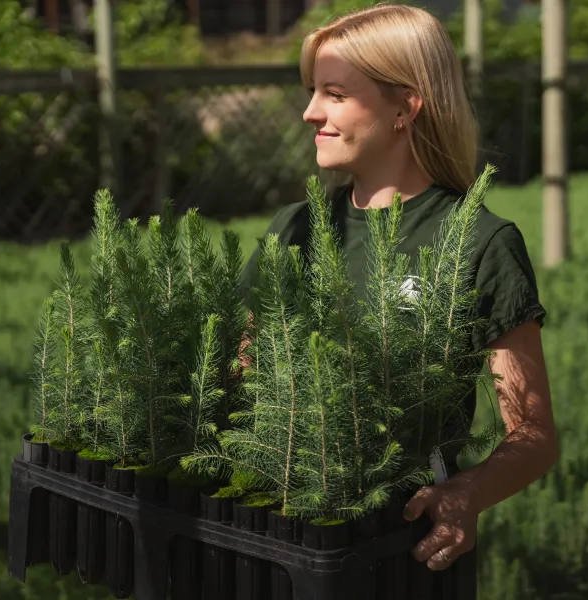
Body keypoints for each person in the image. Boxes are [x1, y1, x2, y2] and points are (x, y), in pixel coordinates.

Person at [238, 1, 559, 585]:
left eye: (334, 93)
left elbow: (533, 435)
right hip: (276, 538)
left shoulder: (479, 242)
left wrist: (467, 494)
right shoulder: (296, 228)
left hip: (401, 551)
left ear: (404, 108)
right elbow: (237, 372)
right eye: (313, 92)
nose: (310, 112)